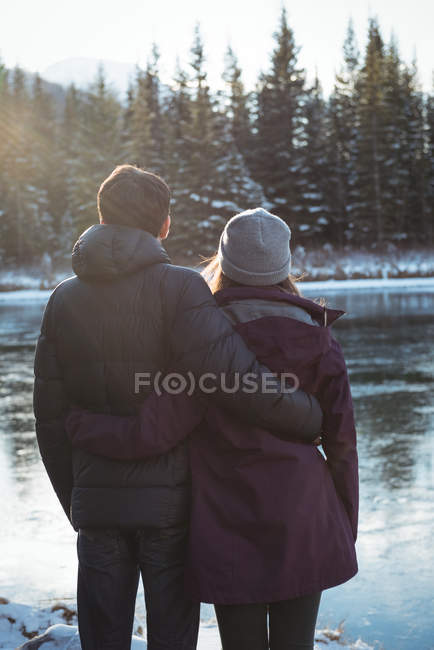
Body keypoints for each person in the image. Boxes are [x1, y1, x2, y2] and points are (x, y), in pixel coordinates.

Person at [33, 167, 323, 650]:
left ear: (102, 216)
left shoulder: (63, 299)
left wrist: (79, 501)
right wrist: (312, 416)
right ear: (164, 224)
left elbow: (49, 420)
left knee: (101, 640)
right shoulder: (182, 289)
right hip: (171, 506)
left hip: (96, 505)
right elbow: (238, 382)